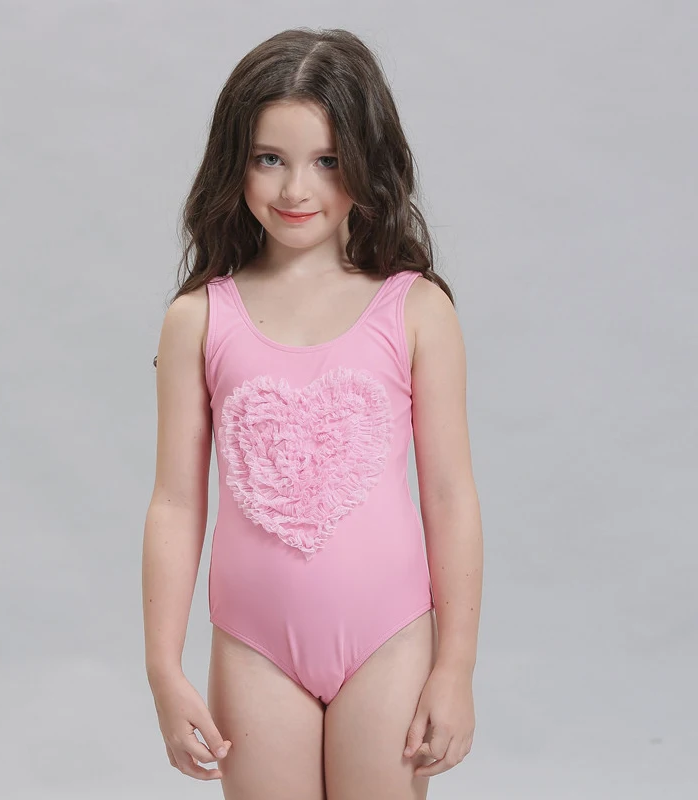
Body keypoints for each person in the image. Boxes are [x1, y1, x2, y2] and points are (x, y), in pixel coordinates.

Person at [142, 27, 483, 800]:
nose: (296, 189)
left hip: (390, 641)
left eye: (327, 161)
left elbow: (450, 495)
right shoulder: (198, 319)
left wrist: (455, 665)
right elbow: (175, 503)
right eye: (270, 158)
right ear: (234, 161)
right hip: (254, 648)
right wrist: (163, 668)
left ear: (368, 161)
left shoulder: (416, 311)